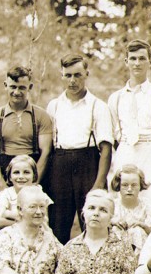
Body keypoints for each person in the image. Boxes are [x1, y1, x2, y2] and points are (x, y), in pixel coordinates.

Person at [45, 54, 114, 242]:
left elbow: (106, 148)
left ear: (86, 74)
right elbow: (48, 145)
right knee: (58, 223)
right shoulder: (54, 105)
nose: (72, 81)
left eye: (77, 75)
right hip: (60, 164)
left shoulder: (98, 106)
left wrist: (99, 182)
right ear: (61, 76)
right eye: (67, 75)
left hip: (88, 163)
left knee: (93, 221)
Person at [106, 40, 151, 218]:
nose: (137, 63)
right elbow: (114, 136)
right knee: (124, 202)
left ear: (150, 61)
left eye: (142, 58)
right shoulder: (115, 98)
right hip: (126, 150)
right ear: (126, 61)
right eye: (133, 58)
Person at [0, 66, 53, 191]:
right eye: (13, 87)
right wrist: (1, 185)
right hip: (5, 171)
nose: (17, 92)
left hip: (33, 170)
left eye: (22, 88)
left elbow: (46, 152)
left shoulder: (41, 116)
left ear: (30, 87)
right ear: (6, 85)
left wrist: (33, 184)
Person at [109, 164, 151, 250]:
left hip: (142, 251)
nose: (129, 189)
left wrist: (143, 226)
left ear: (140, 186)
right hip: (116, 251)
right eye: (125, 185)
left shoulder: (147, 206)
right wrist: (112, 222)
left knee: (138, 230)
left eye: (134, 185)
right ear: (118, 186)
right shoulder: (112, 206)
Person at [0, 154, 39, 231]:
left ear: (34, 175)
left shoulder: (38, 193)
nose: (21, 176)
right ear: (10, 177)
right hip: (11, 234)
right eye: (16, 172)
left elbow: (44, 222)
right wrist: (25, 224)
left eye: (26, 172)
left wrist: (9, 214)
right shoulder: (6, 194)